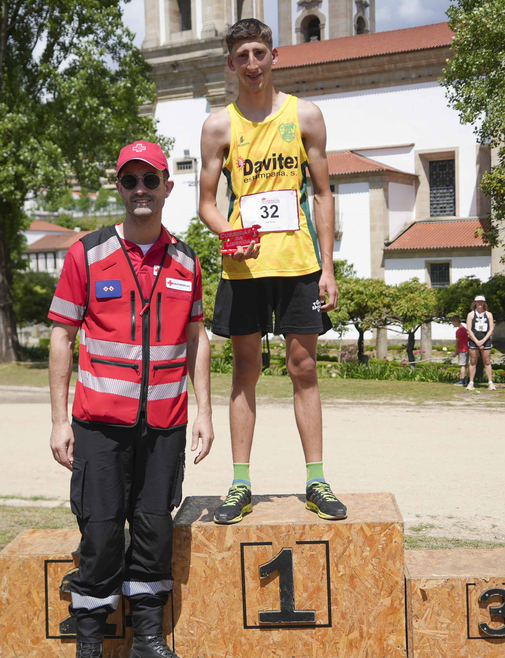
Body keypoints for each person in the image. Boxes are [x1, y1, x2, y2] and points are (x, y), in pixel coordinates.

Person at [47, 140, 213, 658]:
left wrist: (205, 412)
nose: (140, 189)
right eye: (130, 180)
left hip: (164, 425)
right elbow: (61, 336)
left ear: (169, 186)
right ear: (118, 188)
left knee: (153, 535)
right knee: (98, 537)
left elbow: (197, 340)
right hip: (97, 426)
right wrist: (57, 420)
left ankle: (147, 644)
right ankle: (89, 654)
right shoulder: (86, 254)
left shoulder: (188, 261)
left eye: (151, 179)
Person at [198, 18, 345, 525]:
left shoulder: (305, 116)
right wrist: (226, 232)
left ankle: (317, 480)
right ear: (231, 63)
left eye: (259, 53)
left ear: (274, 56)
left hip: (300, 264)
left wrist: (329, 268)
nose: (252, 64)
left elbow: (323, 194)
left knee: (304, 370)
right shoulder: (219, 125)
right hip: (243, 268)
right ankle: (240, 483)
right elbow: (206, 204)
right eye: (242, 57)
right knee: (245, 374)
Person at [465, 295, 496, 391]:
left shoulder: (489, 314)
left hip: (486, 340)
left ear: (484, 303)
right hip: (474, 341)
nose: (480, 304)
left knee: (487, 361)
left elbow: (491, 329)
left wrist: (483, 340)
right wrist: (476, 341)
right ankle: (471, 382)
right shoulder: (471, 314)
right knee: (473, 361)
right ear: (475, 303)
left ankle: (490, 382)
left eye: (482, 302)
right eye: (478, 302)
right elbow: (469, 329)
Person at [452, 315, 468, 386]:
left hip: (462, 349)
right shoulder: (465, 329)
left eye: (453, 322)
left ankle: (462, 380)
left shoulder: (459, 331)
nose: (453, 324)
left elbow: (457, 342)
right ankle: (469, 379)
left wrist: (455, 352)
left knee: (462, 365)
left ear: (456, 322)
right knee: (467, 365)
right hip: (467, 349)